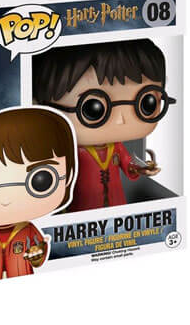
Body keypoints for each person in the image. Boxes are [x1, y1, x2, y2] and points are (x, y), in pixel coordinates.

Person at [33, 39, 175, 212]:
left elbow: (128, 164)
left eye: (147, 103)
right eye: (93, 108)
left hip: (116, 204)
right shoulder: (71, 151)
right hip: (81, 210)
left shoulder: (115, 147)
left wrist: (140, 168)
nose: (120, 120)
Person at [0, 108, 76, 280]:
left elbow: (39, 254)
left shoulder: (28, 230)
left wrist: (37, 254)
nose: (5, 199)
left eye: (41, 180)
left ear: (69, 176)